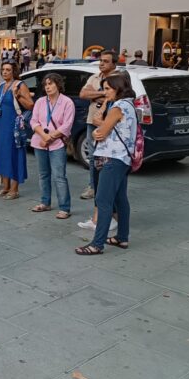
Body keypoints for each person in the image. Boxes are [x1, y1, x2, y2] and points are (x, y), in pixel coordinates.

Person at [75, 73, 137, 255]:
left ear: (118, 88)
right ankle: (122, 237)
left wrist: (98, 126)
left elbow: (100, 131)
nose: (104, 92)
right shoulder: (128, 104)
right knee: (120, 199)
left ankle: (97, 244)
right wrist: (103, 116)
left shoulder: (118, 107)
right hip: (122, 158)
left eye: (108, 89)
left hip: (112, 158)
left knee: (103, 200)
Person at [29, 73, 75, 219]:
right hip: (40, 142)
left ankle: (64, 208)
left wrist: (49, 138)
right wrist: (44, 136)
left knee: (59, 176)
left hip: (57, 143)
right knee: (43, 174)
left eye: (51, 84)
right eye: (45, 84)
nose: (47, 87)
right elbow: (34, 121)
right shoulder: (40, 101)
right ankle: (45, 202)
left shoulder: (67, 102)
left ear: (58, 84)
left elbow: (67, 125)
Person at [78, 50, 118, 210]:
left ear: (114, 64)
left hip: (110, 121)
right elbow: (83, 94)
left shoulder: (119, 78)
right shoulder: (94, 77)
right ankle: (93, 186)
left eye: (106, 61)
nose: (101, 63)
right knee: (93, 155)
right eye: (101, 60)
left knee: (109, 156)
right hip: (92, 120)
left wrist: (93, 95)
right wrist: (102, 93)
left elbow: (117, 97)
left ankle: (108, 187)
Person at [0, 61, 34, 199]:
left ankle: (14, 189)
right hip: (0, 124)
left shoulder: (19, 85)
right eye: (3, 69)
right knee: (2, 154)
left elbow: (30, 105)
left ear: (14, 71)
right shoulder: (1, 86)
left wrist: (18, 95)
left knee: (13, 154)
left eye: (8, 70)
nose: (5, 72)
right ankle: (5, 186)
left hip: (13, 125)